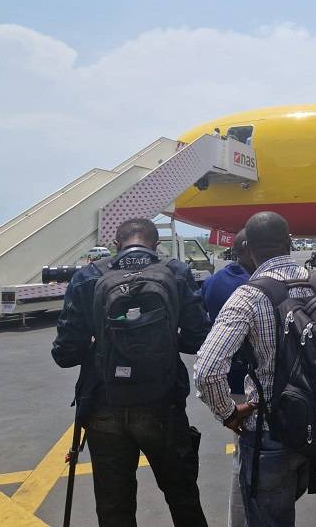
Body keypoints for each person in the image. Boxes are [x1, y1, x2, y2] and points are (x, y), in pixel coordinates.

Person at [51, 218, 209, 527]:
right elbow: (197, 340)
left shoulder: (88, 277)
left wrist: (101, 341)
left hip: (104, 405)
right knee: (183, 498)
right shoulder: (176, 273)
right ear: (156, 245)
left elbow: (65, 355)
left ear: (115, 245)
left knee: (115, 508)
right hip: (162, 404)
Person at [195, 211, 316, 527]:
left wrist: (228, 412)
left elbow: (207, 370)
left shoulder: (248, 295)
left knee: (270, 514)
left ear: (248, 248)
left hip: (270, 429)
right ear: (289, 242)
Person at [200, 228, 257, 527]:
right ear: (248, 250)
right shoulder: (253, 286)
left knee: (244, 453)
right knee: (248, 459)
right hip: (250, 385)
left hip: (229, 380)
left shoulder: (213, 281)